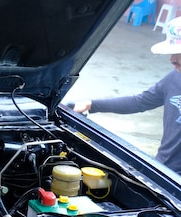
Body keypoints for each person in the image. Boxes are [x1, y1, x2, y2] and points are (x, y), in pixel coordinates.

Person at [73, 16, 181, 174]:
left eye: (178, 53)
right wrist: (91, 104)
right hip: (164, 170)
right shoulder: (173, 78)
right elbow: (139, 102)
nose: (172, 59)